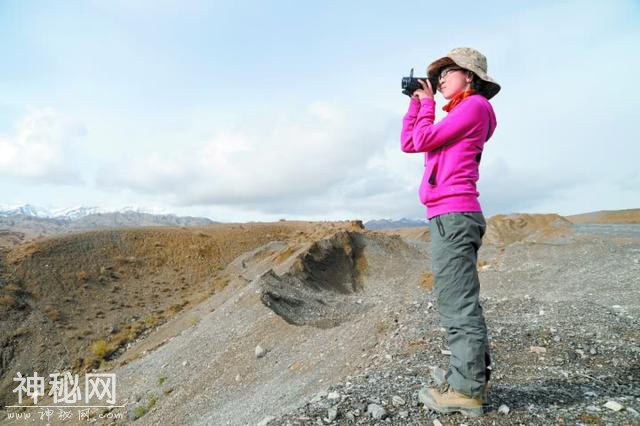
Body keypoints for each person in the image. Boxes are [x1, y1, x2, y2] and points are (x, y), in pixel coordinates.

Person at [400, 47, 500, 417]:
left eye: (448, 72)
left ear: (470, 77)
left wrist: (426, 106)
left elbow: (423, 140)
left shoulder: (474, 108)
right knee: (456, 299)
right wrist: (417, 104)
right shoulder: (459, 113)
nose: (440, 78)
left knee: (457, 303)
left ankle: (466, 390)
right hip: (449, 214)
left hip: (455, 214)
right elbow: (409, 142)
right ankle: (468, 376)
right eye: (437, 74)